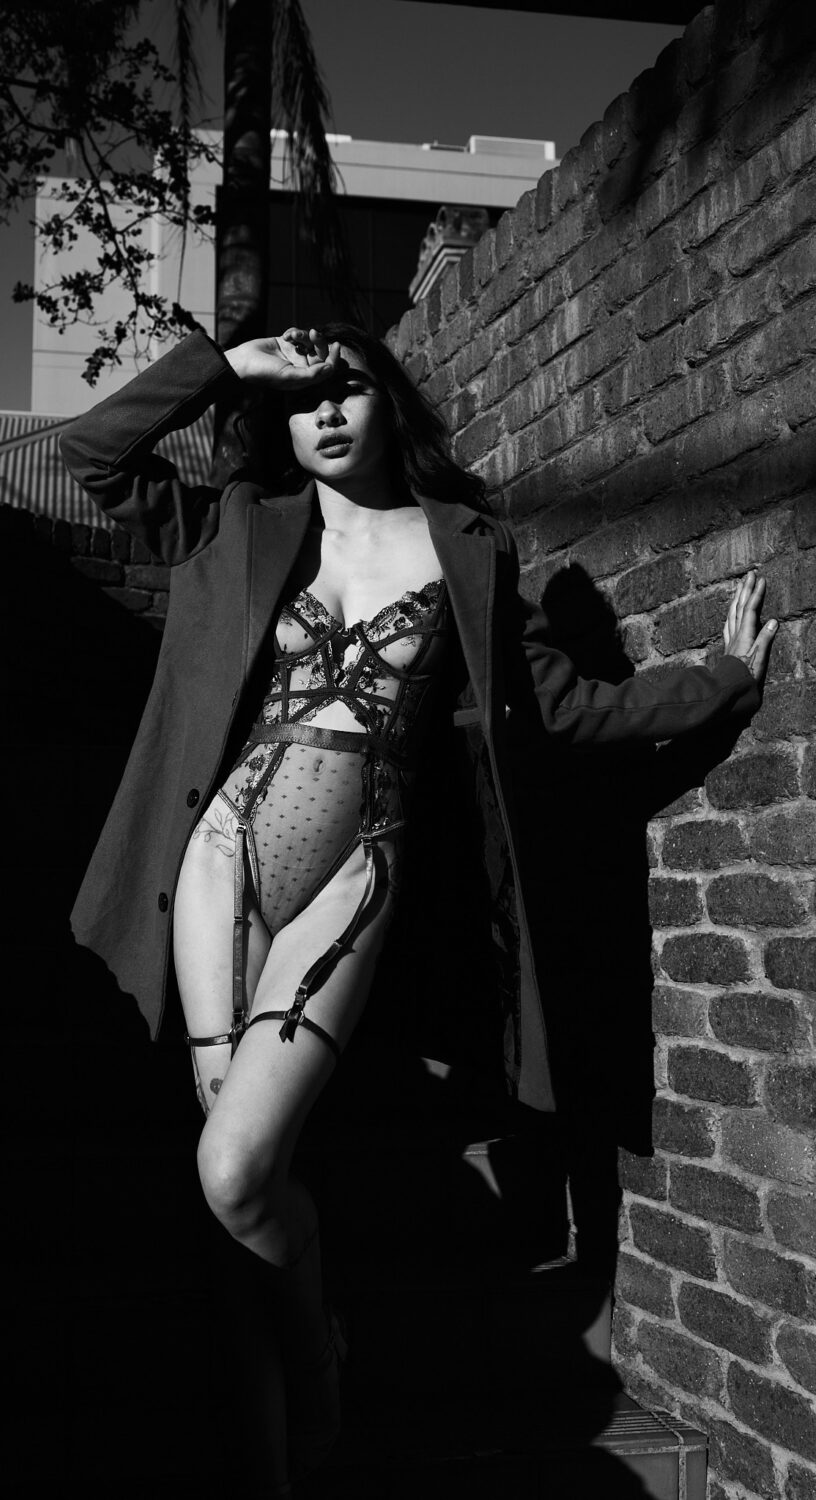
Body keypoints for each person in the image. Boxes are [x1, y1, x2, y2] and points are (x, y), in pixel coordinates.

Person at [59, 324, 776, 1496]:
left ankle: (313, 1356)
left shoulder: (466, 548)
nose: (327, 410)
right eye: (303, 398)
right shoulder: (237, 524)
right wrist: (231, 367)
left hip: (355, 874)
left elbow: (564, 707)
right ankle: (274, 1448)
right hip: (218, 865)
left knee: (235, 1167)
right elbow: (93, 454)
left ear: (390, 404)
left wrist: (720, 684)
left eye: (348, 387)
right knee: (229, 1178)